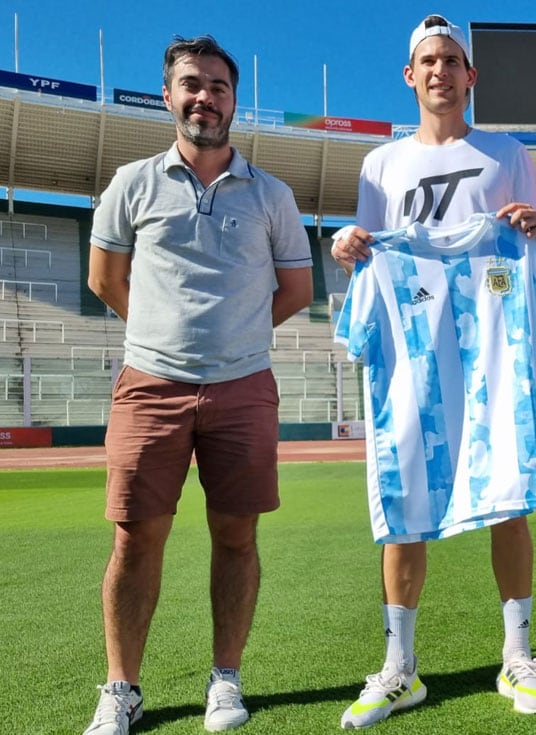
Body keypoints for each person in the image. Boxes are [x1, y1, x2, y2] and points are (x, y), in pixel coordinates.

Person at [329, 14, 536, 728]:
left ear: (471, 75)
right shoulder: (381, 165)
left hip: (492, 355)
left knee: (510, 497)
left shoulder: (506, 155)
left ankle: (517, 653)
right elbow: (370, 250)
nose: (439, 70)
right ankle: (400, 667)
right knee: (402, 506)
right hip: (414, 362)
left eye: (451, 59)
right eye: (427, 60)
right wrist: (348, 247)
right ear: (411, 75)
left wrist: (532, 231)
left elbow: (532, 240)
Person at [82, 35, 313, 735]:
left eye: (217, 85)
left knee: (236, 535)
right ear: (168, 95)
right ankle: (122, 688)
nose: (204, 97)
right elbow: (104, 280)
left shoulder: (271, 194)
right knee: (135, 538)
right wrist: (165, 336)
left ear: (234, 101)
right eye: (192, 83)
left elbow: (297, 289)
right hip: (150, 384)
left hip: (243, 386)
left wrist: (233, 337)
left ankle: (225, 677)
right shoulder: (131, 183)